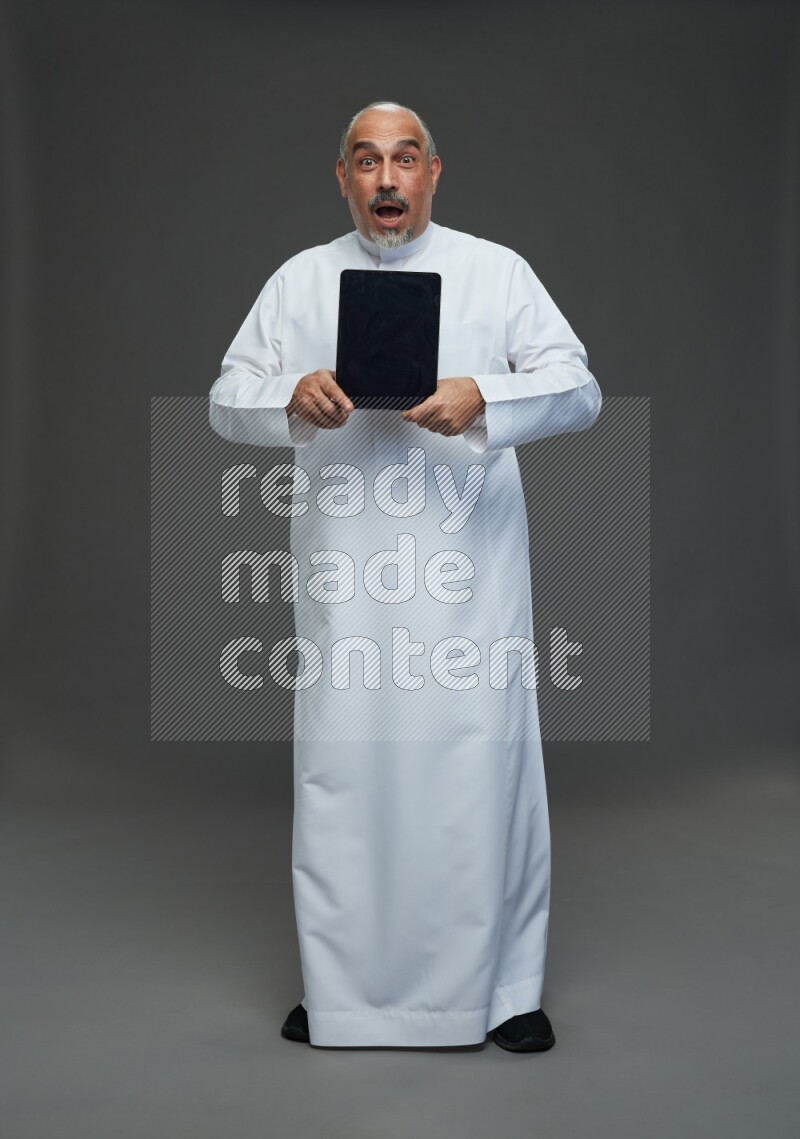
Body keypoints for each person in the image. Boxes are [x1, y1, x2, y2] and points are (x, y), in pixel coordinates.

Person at [208, 101, 602, 1051]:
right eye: (367, 161)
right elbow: (227, 400)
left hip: (469, 575)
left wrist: (488, 394)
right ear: (340, 176)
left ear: (435, 171)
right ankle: (344, 991)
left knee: (476, 772)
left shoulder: (495, 271)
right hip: (347, 575)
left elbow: (578, 386)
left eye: (406, 159)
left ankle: (503, 991)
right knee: (346, 770)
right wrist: (288, 398)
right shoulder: (300, 279)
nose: (387, 179)